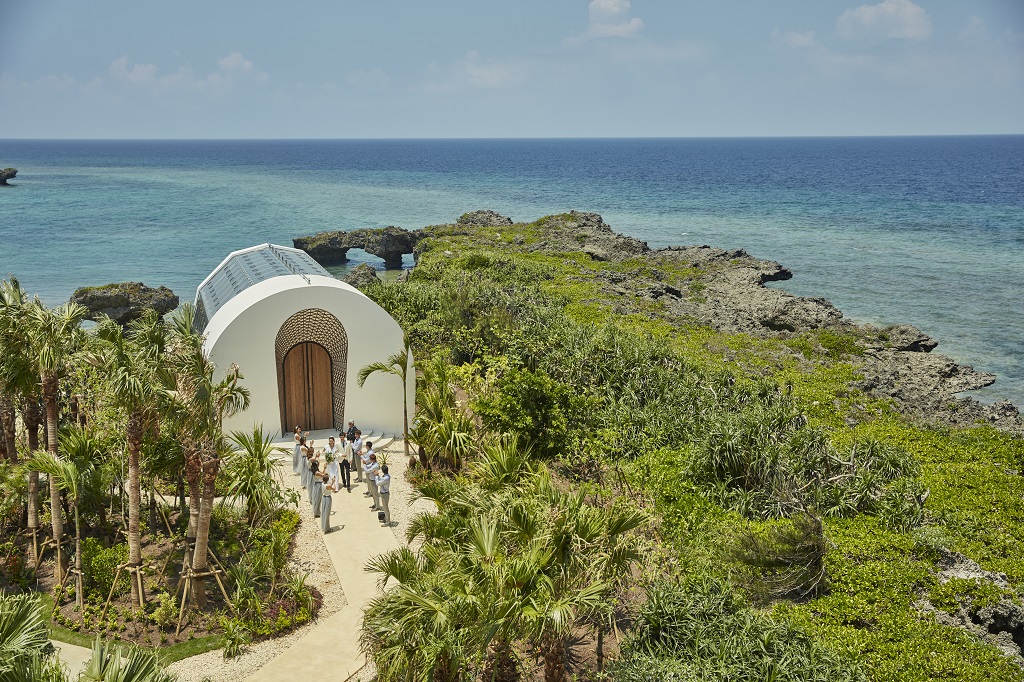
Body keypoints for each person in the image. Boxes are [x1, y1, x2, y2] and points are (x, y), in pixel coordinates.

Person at [321, 453, 340, 532]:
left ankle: (325, 526)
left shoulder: (323, 484)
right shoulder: (327, 486)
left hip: (324, 497)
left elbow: (329, 486)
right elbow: (333, 489)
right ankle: (327, 527)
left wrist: (332, 482)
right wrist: (334, 484)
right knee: (327, 513)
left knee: (325, 512)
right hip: (327, 498)